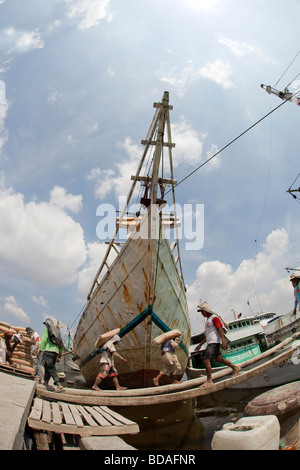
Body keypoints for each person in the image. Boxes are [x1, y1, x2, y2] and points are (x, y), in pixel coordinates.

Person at [195, 302, 241, 387]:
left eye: (202, 311)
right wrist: (200, 345)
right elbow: (207, 335)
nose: (201, 313)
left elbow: (220, 329)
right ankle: (235, 367)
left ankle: (209, 380)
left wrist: (223, 341)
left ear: (206, 310)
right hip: (211, 341)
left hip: (214, 342)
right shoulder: (208, 320)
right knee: (219, 359)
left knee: (206, 360)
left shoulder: (214, 318)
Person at [37, 318, 64, 392]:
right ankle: (46, 382)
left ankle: (58, 384)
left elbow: (43, 341)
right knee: (47, 366)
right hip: (56, 352)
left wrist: (39, 351)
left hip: (49, 351)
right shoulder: (57, 332)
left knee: (51, 367)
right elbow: (61, 344)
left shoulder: (47, 330)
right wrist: (59, 355)